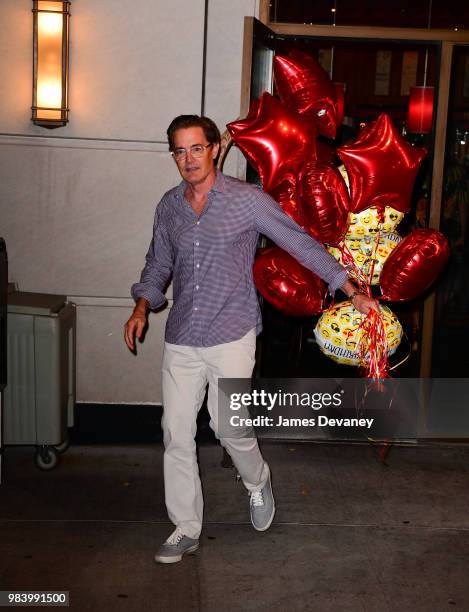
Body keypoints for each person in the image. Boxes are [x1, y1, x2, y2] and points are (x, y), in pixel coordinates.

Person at [124, 114, 377, 564]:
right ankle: (186, 526)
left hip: (231, 334)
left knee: (230, 428)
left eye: (196, 148)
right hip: (183, 334)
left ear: (215, 149)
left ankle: (257, 481)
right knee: (175, 433)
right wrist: (143, 306)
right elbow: (158, 263)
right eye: (179, 151)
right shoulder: (169, 207)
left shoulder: (247, 201)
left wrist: (350, 289)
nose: (189, 159)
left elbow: (299, 243)